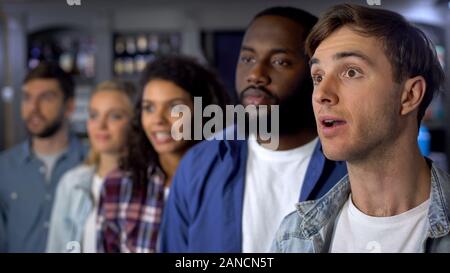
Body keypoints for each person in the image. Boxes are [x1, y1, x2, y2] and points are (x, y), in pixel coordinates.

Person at [160, 7, 347, 253]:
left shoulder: (350, 170)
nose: (256, 75)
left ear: (317, 74)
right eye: (248, 59)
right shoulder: (199, 165)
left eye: (281, 62)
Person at [272, 4, 448, 253]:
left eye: (351, 72)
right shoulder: (293, 236)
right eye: (318, 76)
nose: (321, 94)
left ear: (409, 95)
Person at [96, 56, 229, 253]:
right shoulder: (118, 185)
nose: (158, 120)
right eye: (149, 107)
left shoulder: (227, 183)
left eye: (174, 107)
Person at [0, 62, 87, 252]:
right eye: (27, 98)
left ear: (69, 106)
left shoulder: (90, 164)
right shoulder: (4, 168)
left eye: (46, 98)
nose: (33, 108)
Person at [46, 80, 136, 253]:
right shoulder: (72, 183)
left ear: (134, 123)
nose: (101, 126)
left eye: (114, 116)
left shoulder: (149, 184)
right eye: (94, 115)